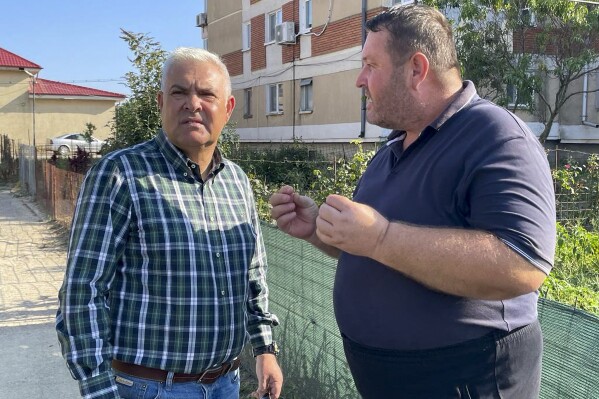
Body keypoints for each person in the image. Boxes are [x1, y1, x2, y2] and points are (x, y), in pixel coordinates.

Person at [270, 4, 555, 398]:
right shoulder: (393, 147)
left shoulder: (495, 135)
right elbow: (378, 250)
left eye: (371, 64)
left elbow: (523, 265)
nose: (359, 80)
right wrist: (321, 230)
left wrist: (381, 237)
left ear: (417, 70)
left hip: (467, 377)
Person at [56, 47, 283, 399]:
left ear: (228, 108)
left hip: (227, 384)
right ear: (162, 102)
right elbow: (81, 292)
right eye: (179, 92)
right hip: (151, 387)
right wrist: (99, 389)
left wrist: (266, 350)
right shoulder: (120, 175)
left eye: (206, 94)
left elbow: (254, 277)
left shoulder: (237, 181)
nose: (192, 103)